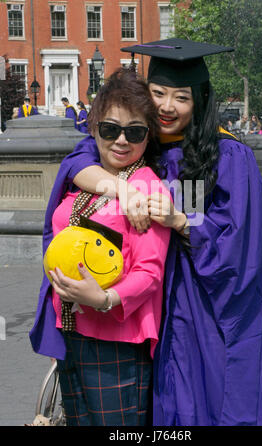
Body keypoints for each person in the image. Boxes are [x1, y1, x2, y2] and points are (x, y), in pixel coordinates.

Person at [32, 38, 262, 426]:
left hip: (196, 308)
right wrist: (120, 187)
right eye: (158, 93)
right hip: (140, 314)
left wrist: (181, 220)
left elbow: (239, 249)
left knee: (199, 402)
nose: (167, 106)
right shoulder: (137, 139)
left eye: (182, 97)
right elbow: (77, 159)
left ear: (200, 101)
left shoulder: (224, 156)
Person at [30, 69, 171, 426]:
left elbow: (149, 273)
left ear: (148, 135)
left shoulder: (149, 190)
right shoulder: (86, 176)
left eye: (135, 132)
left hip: (116, 339)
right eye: (110, 130)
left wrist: (105, 299)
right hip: (71, 331)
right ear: (93, 129)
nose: (121, 141)